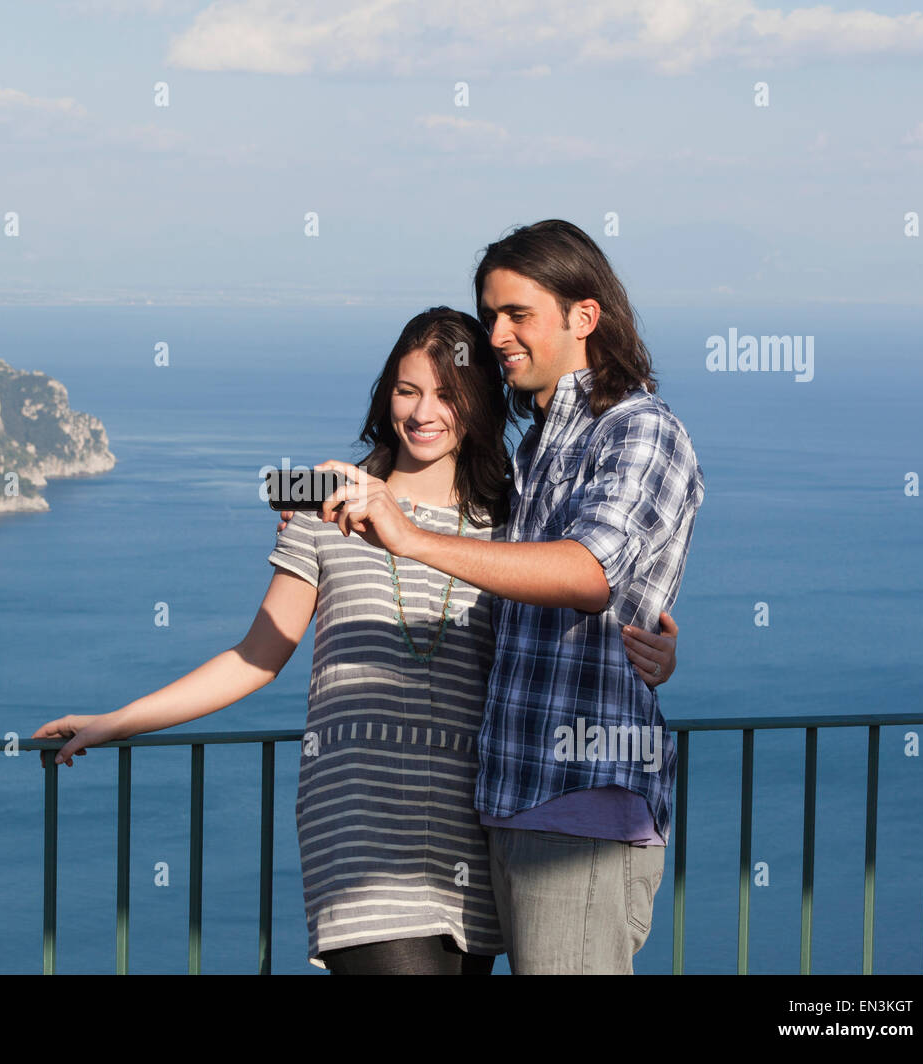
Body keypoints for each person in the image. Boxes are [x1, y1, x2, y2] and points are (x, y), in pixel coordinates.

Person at [34, 306, 678, 974]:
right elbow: (256, 657)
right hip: (362, 837)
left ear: (480, 404)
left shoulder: (512, 527)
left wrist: (652, 656)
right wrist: (116, 722)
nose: (425, 412)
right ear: (385, 397)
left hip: (476, 841)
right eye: (408, 391)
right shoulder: (326, 511)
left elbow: (570, 625)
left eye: (449, 394)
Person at [312, 220, 705, 974]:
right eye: (490, 315)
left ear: (583, 317)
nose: (495, 335)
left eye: (517, 314)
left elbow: (590, 573)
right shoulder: (538, 446)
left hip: (581, 800)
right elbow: (544, 595)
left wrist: (412, 540)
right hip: (513, 799)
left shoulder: (640, 430)